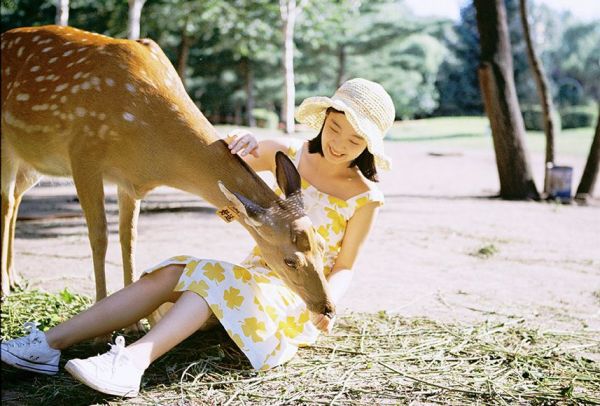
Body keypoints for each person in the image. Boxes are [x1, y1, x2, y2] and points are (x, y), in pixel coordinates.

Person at [1, 78, 395, 398]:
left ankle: (131, 364)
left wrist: (324, 307)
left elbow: (345, 266)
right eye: (335, 128)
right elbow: (220, 171)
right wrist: (239, 143)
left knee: (209, 282)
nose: (339, 143)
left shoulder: (365, 197)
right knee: (175, 271)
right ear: (324, 118)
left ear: (369, 148)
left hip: (293, 298)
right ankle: (46, 344)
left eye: (354, 141)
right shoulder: (287, 154)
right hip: (250, 277)